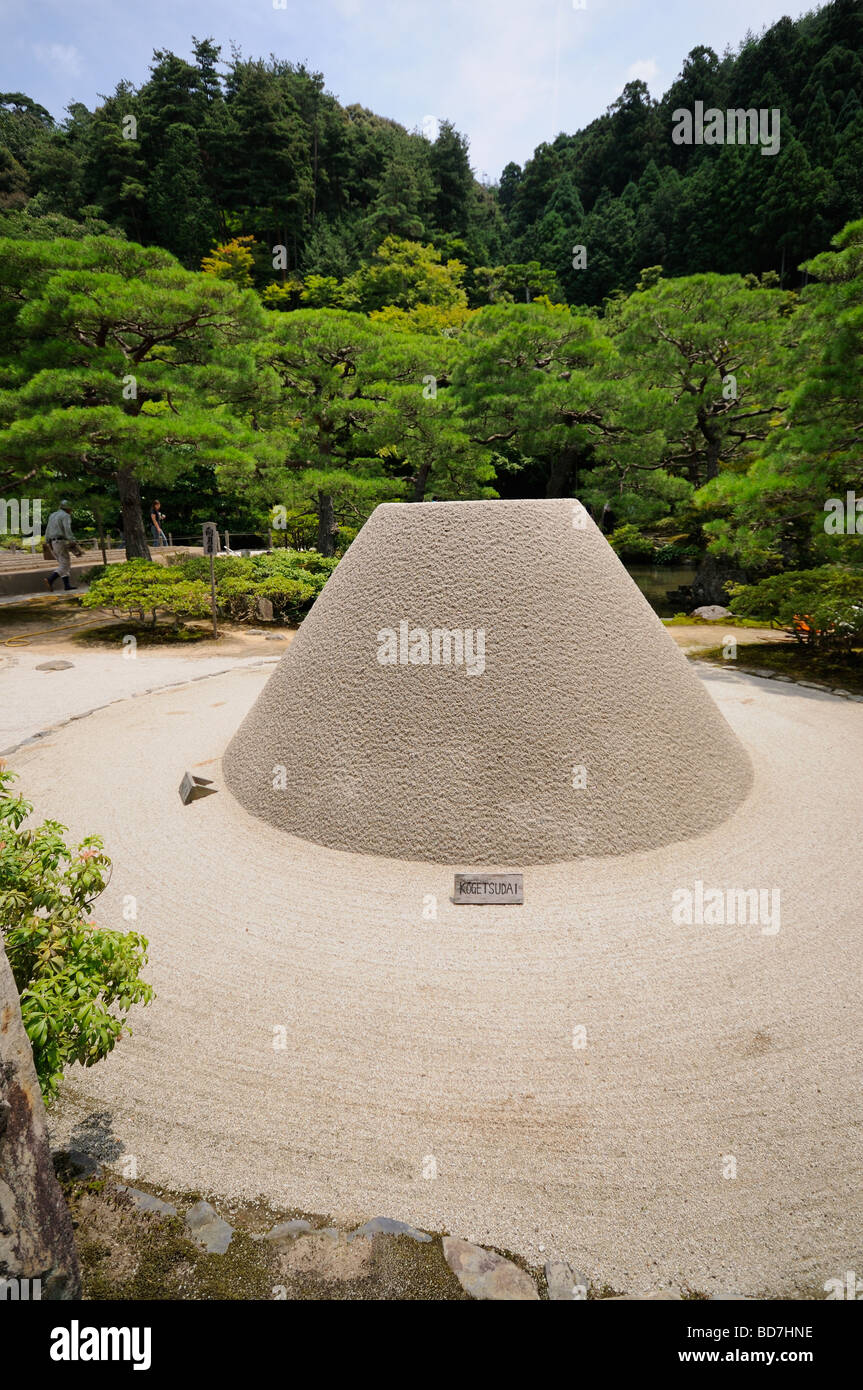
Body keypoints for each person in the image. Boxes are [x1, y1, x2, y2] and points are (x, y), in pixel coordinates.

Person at [44, 500, 78, 592]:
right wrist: (72, 540)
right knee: (65, 564)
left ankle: (67, 585)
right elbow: (67, 528)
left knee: (62, 563)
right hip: (61, 541)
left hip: (53, 542)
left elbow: (48, 529)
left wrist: (47, 541)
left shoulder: (52, 515)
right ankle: (50, 579)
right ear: (68, 508)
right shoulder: (65, 516)